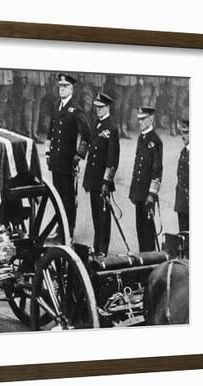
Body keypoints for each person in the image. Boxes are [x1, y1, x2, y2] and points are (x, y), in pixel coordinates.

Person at [46, 73, 91, 238]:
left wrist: (79, 155)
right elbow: (51, 131)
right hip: (56, 161)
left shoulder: (76, 109)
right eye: (60, 86)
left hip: (67, 161)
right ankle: (60, 228)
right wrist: (48, 152)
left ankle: (68, 230)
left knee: (68, 198)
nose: (62, 89)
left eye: (65, 86)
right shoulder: (56, 104)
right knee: (57, 197)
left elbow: (87, 134)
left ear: (71, 88)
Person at [82, 93, 120, 256]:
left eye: (101, 107)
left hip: (102, 180)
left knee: (103, 217)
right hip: (93, 178)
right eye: (97, 107)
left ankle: (103, 250)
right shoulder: (96, 123)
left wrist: (106, 181)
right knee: (96, 215)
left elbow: (112, 160)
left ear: (107, 107)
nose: (98, 110)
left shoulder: (111, 128)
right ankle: (97, 247)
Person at [129, 106, 163, 252]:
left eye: (143, 119)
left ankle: (150, 260)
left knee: (148, 231)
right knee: (139, 228)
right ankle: (143, 258)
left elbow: (157, 170)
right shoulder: (141, 138)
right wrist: (132, 191)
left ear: (151, 119)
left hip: (147, 194)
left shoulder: (155, 141)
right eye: (139, 119)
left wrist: (152, 194)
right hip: (139, 192)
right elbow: (137, 167)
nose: (140, 122)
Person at [19, 70, 47, 143]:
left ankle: (34, 133)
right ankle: (29, 133)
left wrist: (46, 78)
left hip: (41, 80)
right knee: (29, 106)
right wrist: (23, 76)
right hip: (29, 80)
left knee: (37, 109)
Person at [174, 119, 190, 232]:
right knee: (183, 235)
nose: (183, 136)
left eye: (186, 133)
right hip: (182, 203)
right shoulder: (184, 152)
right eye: (182, 133)